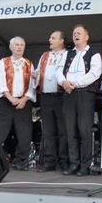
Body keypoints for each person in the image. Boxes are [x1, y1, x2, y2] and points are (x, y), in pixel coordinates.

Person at [57, 24, 102, 175]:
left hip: (85, 94)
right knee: (70, 131)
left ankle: (85, 165)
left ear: (86, 37)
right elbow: (58, 71)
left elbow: (95, 73)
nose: (76, 35)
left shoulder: (94, 53)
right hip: (68, 94)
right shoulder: (67, 54)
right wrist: (64, 82)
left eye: (79, 33)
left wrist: (75, 83)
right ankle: (74, 164)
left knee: (84, 131)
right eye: (74, 33)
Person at [0, 37, 36, 170]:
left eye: (22, 45)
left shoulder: (29, 63)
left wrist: (24, 99)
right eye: (16, 45)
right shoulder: (3, 62)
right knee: (0, 132)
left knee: (24, 134)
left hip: (23, 102)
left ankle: (21, 161)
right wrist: (10, 97)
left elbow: (32, 85)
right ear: (11, 47)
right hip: (6, 101)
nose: (19, 47)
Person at [34, 30, 69, 172]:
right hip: (46, 97)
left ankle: (63, 161)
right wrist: (36, 76)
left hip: (61, 97)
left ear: (61, 41)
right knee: (48, 131)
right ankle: (49, 161)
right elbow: (38, 72)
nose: (50, 40)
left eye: (53, 38)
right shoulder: (45, 55)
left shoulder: (68, 54)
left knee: (63, 130)